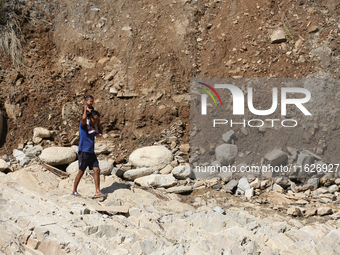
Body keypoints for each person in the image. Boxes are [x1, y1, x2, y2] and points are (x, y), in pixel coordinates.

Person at [72, 104, 107, 198]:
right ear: (90, 117)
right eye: (94, 118)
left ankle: (98, 191)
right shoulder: (84, 126)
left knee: (97, 170)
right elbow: (84, 118)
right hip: (84, 151)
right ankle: (74, 190)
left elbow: (101, 133)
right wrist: (85, 110)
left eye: (97, 119)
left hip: (91, 152)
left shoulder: (92, 128)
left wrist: (97, 123)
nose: (96, 120)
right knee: (81, 171)